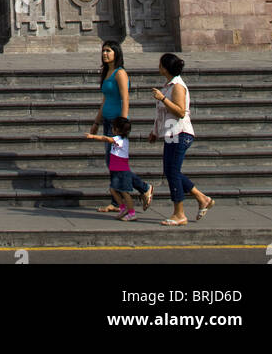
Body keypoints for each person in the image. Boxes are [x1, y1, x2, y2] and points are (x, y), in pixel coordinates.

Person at [150, 52, 214, 226]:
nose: (159, 67)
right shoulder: (168, 85)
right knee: (171, 171)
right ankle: (202, 198)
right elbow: (162, 114)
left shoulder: (177, 86)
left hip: (181, 133)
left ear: (165, 67)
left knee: (172, 172)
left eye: (160, 64)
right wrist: (155, 131)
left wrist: (163, 98)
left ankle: (180, 214)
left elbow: (179, 111)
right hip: (171, 134)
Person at [89, 40, 153, 212]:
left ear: (116, 53)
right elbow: (105, 100)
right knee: (111, 163)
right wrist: (96, 122)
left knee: (117, 164)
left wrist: (122, 124)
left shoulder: (120, 73)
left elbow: (125, 98)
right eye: (103, 51)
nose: (105, 54)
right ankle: (116, 202)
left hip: (117, 124)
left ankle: (144, 187)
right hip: (108, 122)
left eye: (108, 51)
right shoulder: (107, 72)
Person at [85, 117, 137, 221]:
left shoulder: (120, 140)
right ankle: (123, 208)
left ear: (117, 130)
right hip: (116, 170)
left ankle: (131, 212)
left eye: (113, 128)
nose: (112, 129)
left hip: (122, 171)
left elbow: (107, 139)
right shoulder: (120, 139)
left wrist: (93, 136)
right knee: (113, 189)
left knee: (124, 192)